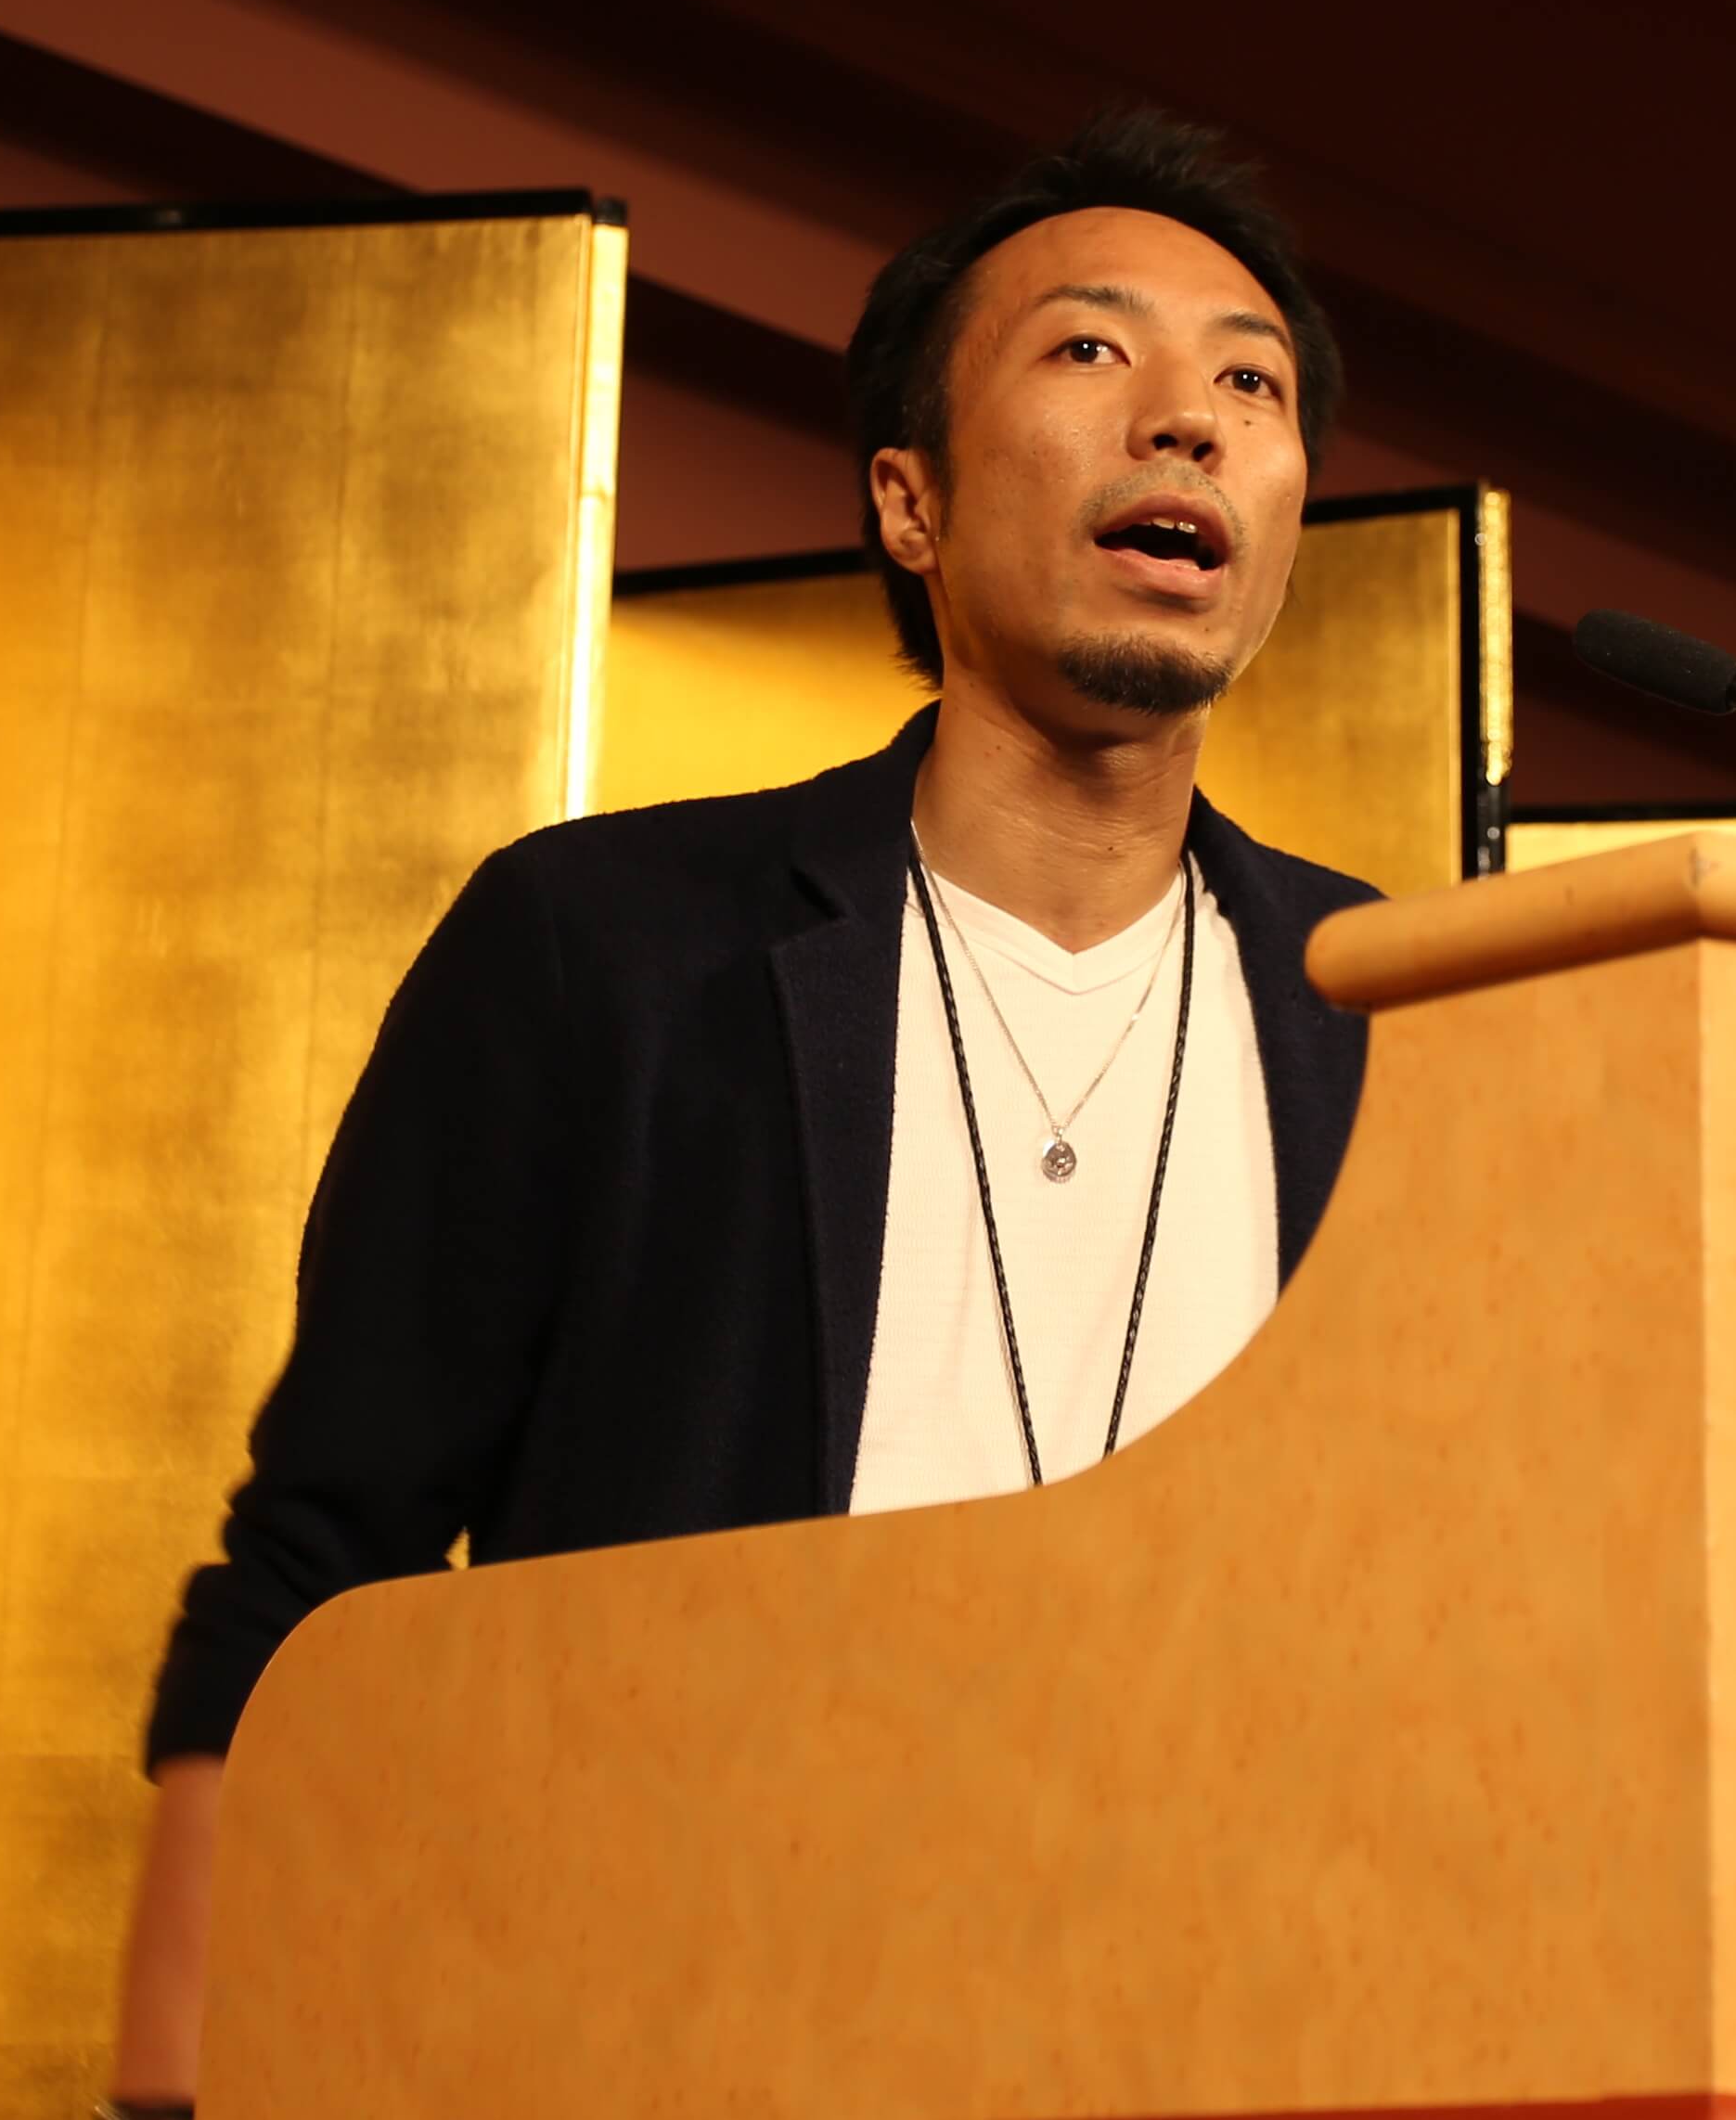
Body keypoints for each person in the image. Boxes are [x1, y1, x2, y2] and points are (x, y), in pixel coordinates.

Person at [100, 105, 1378, 2116]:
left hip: (1255, 2037)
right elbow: (324, 1548)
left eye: (1250, 384)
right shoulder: (605, 948)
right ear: (908, 501)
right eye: (1088, 348)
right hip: (678, 2025)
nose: (1186, 421)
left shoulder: (1392, 1014)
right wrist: (180, 2073)